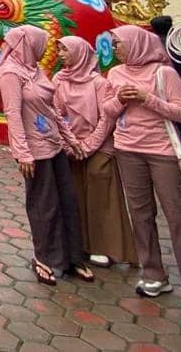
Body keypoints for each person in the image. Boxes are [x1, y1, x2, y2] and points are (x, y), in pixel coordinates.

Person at [103, 24, 181, 314]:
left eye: (119, 43)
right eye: (114, 44)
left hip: (163, 153)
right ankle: (153, 273)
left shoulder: (164, 73)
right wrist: (120, 100)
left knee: (179, 218)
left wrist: (147, 99)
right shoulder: (115, 74)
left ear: (137, 44)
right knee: (140, 215)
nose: (115, 49)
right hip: (128, 150)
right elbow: (107, 110)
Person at [0, 24, 92, 286]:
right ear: (29, 44)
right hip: (34, 151)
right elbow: (12, 113)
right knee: (44, 205)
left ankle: (72, 257)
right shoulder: (9, 73)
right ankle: (45, 259)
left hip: (55, 145)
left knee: (67, 202)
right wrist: (22, 152)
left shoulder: (34, 70)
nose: (47, 49)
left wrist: (70, 140)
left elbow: (52, 111)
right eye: (43, 43)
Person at [51, 36, 137, 269]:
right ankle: (79, 243)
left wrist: (88, 146)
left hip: (99, 146)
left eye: (65, 50)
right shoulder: (59, 79)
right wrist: (70, 144)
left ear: (79, 52)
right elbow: (56, 114)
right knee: (74, 195)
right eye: (59, 50)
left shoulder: (99, 83)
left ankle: (104, 247)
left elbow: (106, 118)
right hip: (71, 146)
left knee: (101, 196)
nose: (60, 55)